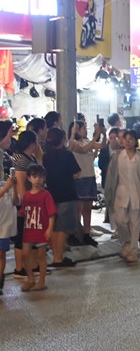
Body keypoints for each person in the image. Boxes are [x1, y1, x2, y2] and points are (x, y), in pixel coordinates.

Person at [105, 130, 140, 264]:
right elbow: (110, 177)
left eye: (130, 139)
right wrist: (108, 193)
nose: (127, 142)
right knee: (120, 221)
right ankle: (126, 243)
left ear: (135, 141)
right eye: (125, 139)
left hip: (137, 193)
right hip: (120, 194)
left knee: (135, 224)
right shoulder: (117, 157)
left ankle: (132, 251)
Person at [42, 128, 80, 268]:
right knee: (62, 228)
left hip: (51, 194)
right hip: (66, 194)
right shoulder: (67, 155)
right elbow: (76, 174)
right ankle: (58, 258)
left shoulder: (46, 156)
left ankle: (56, 255)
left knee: (54, 226)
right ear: (62, 139)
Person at [10, 130, 43, 278]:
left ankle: (34, 266)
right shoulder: (21, 159)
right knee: (22, 235)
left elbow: (41, 159)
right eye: (36, 140)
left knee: (33, 234)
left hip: (34, 201)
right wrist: (26, 203)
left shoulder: (30, 157)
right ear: (31, 142)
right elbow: (20, 184)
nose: (38, 143)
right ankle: (19, 268)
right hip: (25, 202)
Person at [20, 164, 56, 291]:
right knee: (25, 254)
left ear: (44, 178)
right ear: (29, 178)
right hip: (29, 230)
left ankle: (42, 280)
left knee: (41, 256)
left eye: (40, 177)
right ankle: (30, 279)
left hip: (41, 230)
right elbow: (24, 211)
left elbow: (51, 213)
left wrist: (50, 228)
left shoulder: (46, 195)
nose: (38, 180)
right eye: (34, 176)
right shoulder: (26, 196)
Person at [69, 119, 103, 248]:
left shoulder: (87, 141)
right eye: (84, 128)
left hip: (90, 177)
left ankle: (86, 234)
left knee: (88, 209)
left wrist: (102, 134)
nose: (86, 130)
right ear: (76, 129)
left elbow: (102, 146)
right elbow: (83, 150)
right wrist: (96, 136)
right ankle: (76, 234)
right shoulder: (73, 142)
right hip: (80, 178)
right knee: (78, 209)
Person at [0, 120, 16, 294]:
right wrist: (8, 186)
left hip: (4, 211)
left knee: (2, 251)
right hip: (2, 211)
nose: (10, 139)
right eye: (8, 135)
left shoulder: (5, 155)